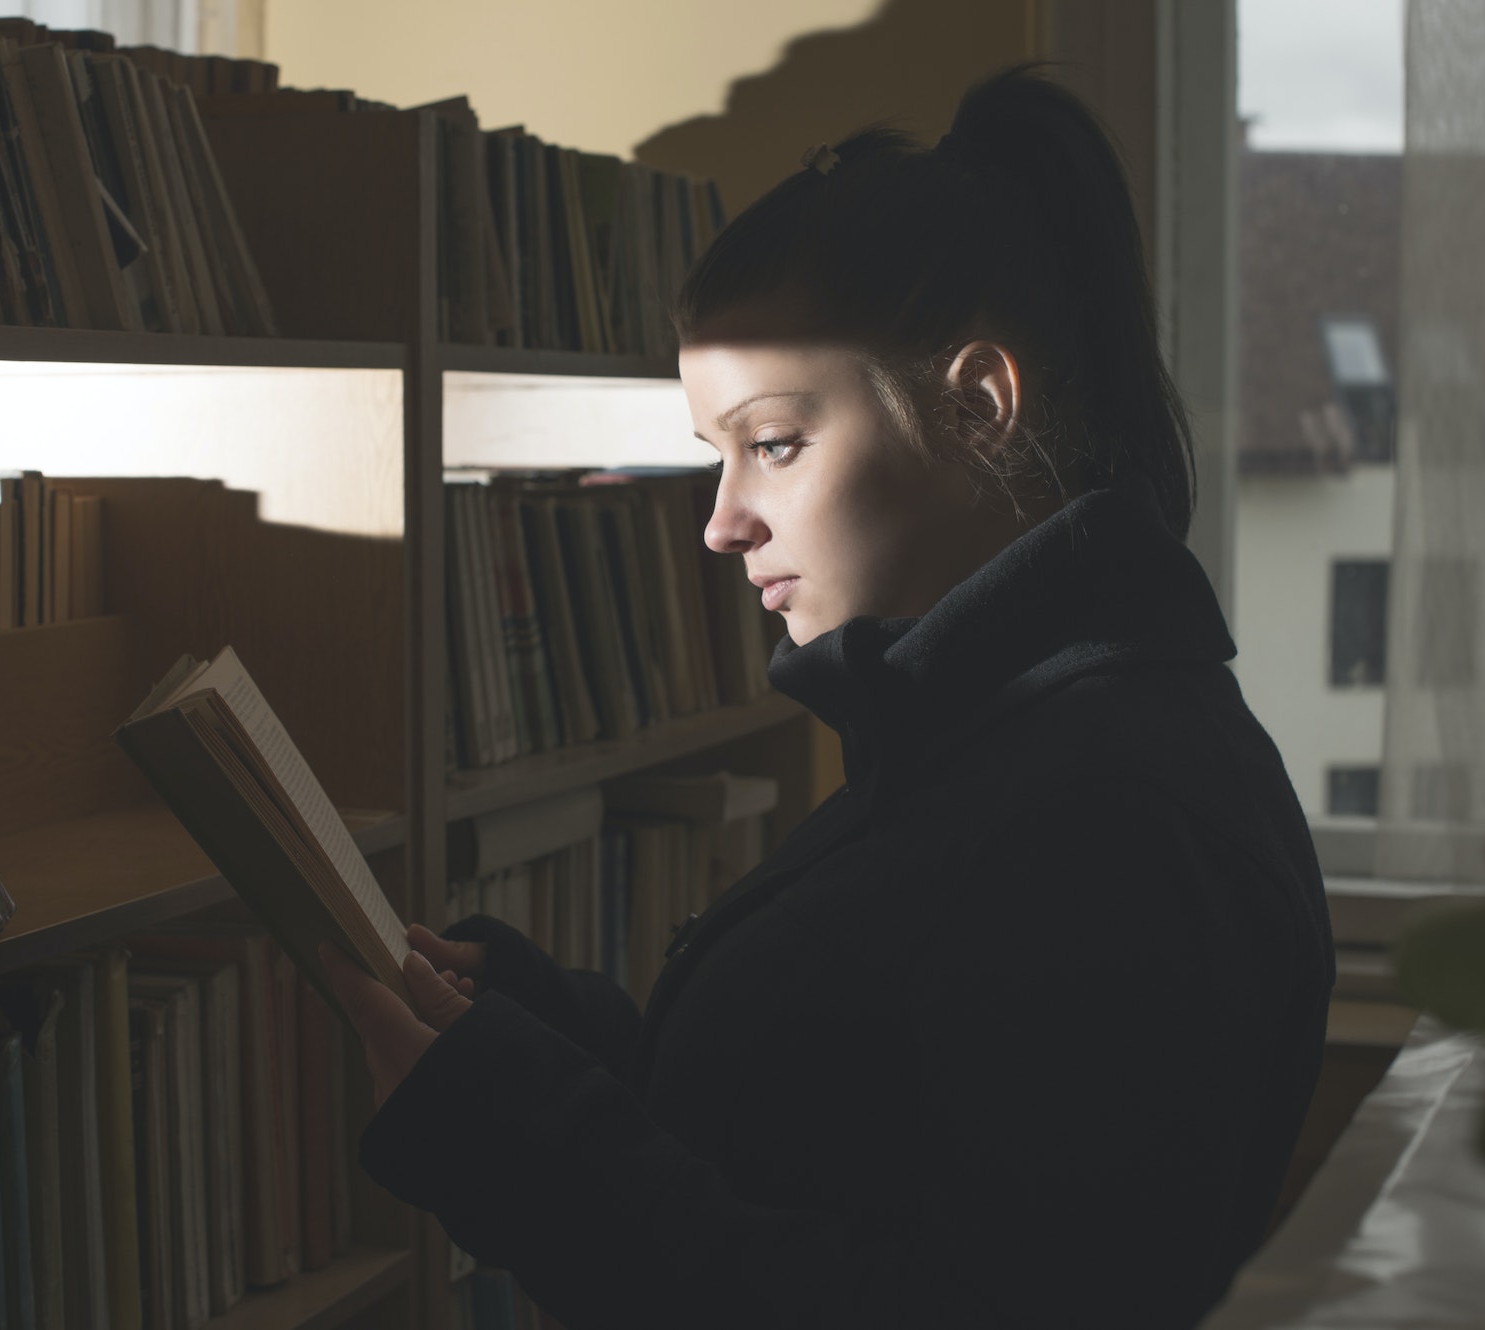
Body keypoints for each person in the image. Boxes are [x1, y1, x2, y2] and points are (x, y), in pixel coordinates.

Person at [317, 64, 1334, 1329]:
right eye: (717, 454)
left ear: (973, 406)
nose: (720, 522)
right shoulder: (982, 734)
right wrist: (550, 1042)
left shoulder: (1113, 812)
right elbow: (834, 1145)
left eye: (774, 443)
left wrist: (519, 1142)